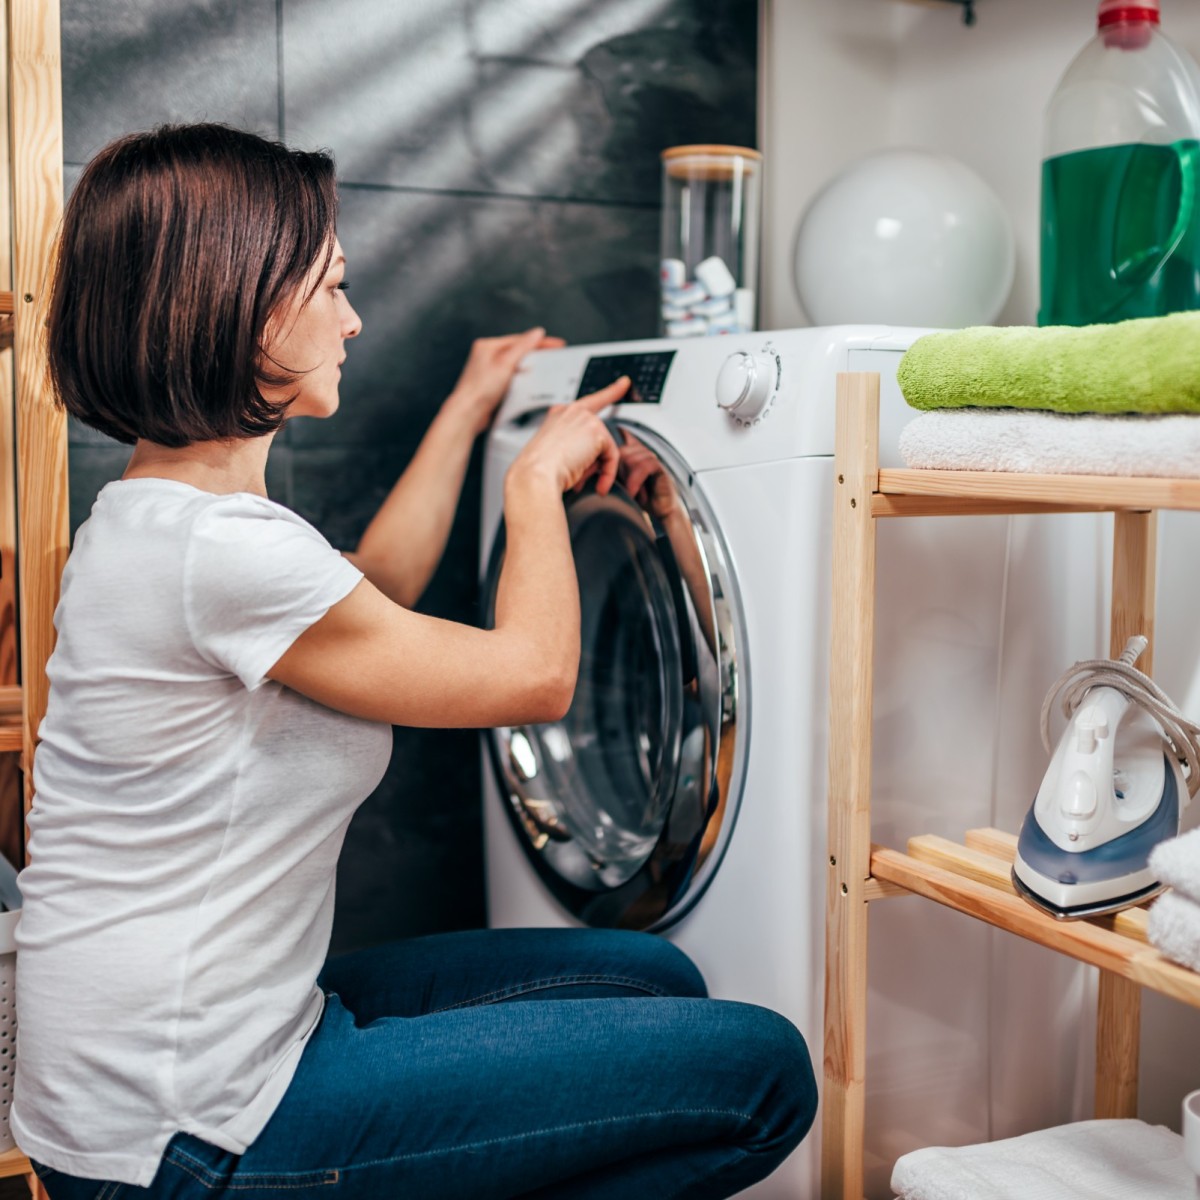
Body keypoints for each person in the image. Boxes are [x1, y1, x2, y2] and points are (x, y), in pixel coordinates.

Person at [12, 123, 817, 1200]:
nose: (355, 318)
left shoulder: (160, 518)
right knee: (764, 1073)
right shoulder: (222, 551)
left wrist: (471, 408)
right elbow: (535, 678)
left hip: (159, 1064)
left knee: (652, 977)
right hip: (186, 1131)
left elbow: (374, 586)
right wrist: (533, 489)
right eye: (333, 287)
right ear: (245, 309)